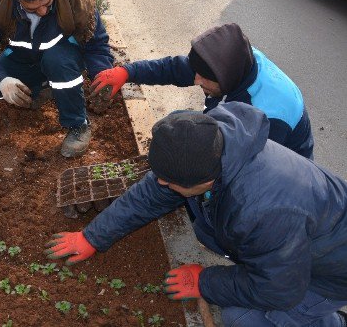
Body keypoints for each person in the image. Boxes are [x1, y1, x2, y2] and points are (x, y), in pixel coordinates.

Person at [45, 102, 347, 327]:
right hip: (298, 241)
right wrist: (92, 237)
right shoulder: (205, 141)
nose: (161, 182)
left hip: (330, 269)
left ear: (204, 182)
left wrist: (205, 281)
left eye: (169, 180)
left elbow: (278, 289)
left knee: (240, 317)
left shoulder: (261, 211)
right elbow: (153, 191)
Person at [90, 23, 314, 159]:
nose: (196, 80)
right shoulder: (233, 61)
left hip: (276, 171)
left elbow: (252, 170)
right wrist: (128, 72)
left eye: (203, 77)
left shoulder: (266, 115)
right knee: (174, 124)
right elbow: (175, 69)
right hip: (245, 128)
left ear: (224, 78)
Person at [0, 0, 114, 158]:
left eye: (47, 3)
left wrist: (103, 75)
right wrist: (3, 81)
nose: (43, 12)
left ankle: (78, 125)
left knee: (57, 60)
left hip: (62, 59)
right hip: (23, 60)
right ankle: (43, 89)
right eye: (33, 9)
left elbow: (97, 44)